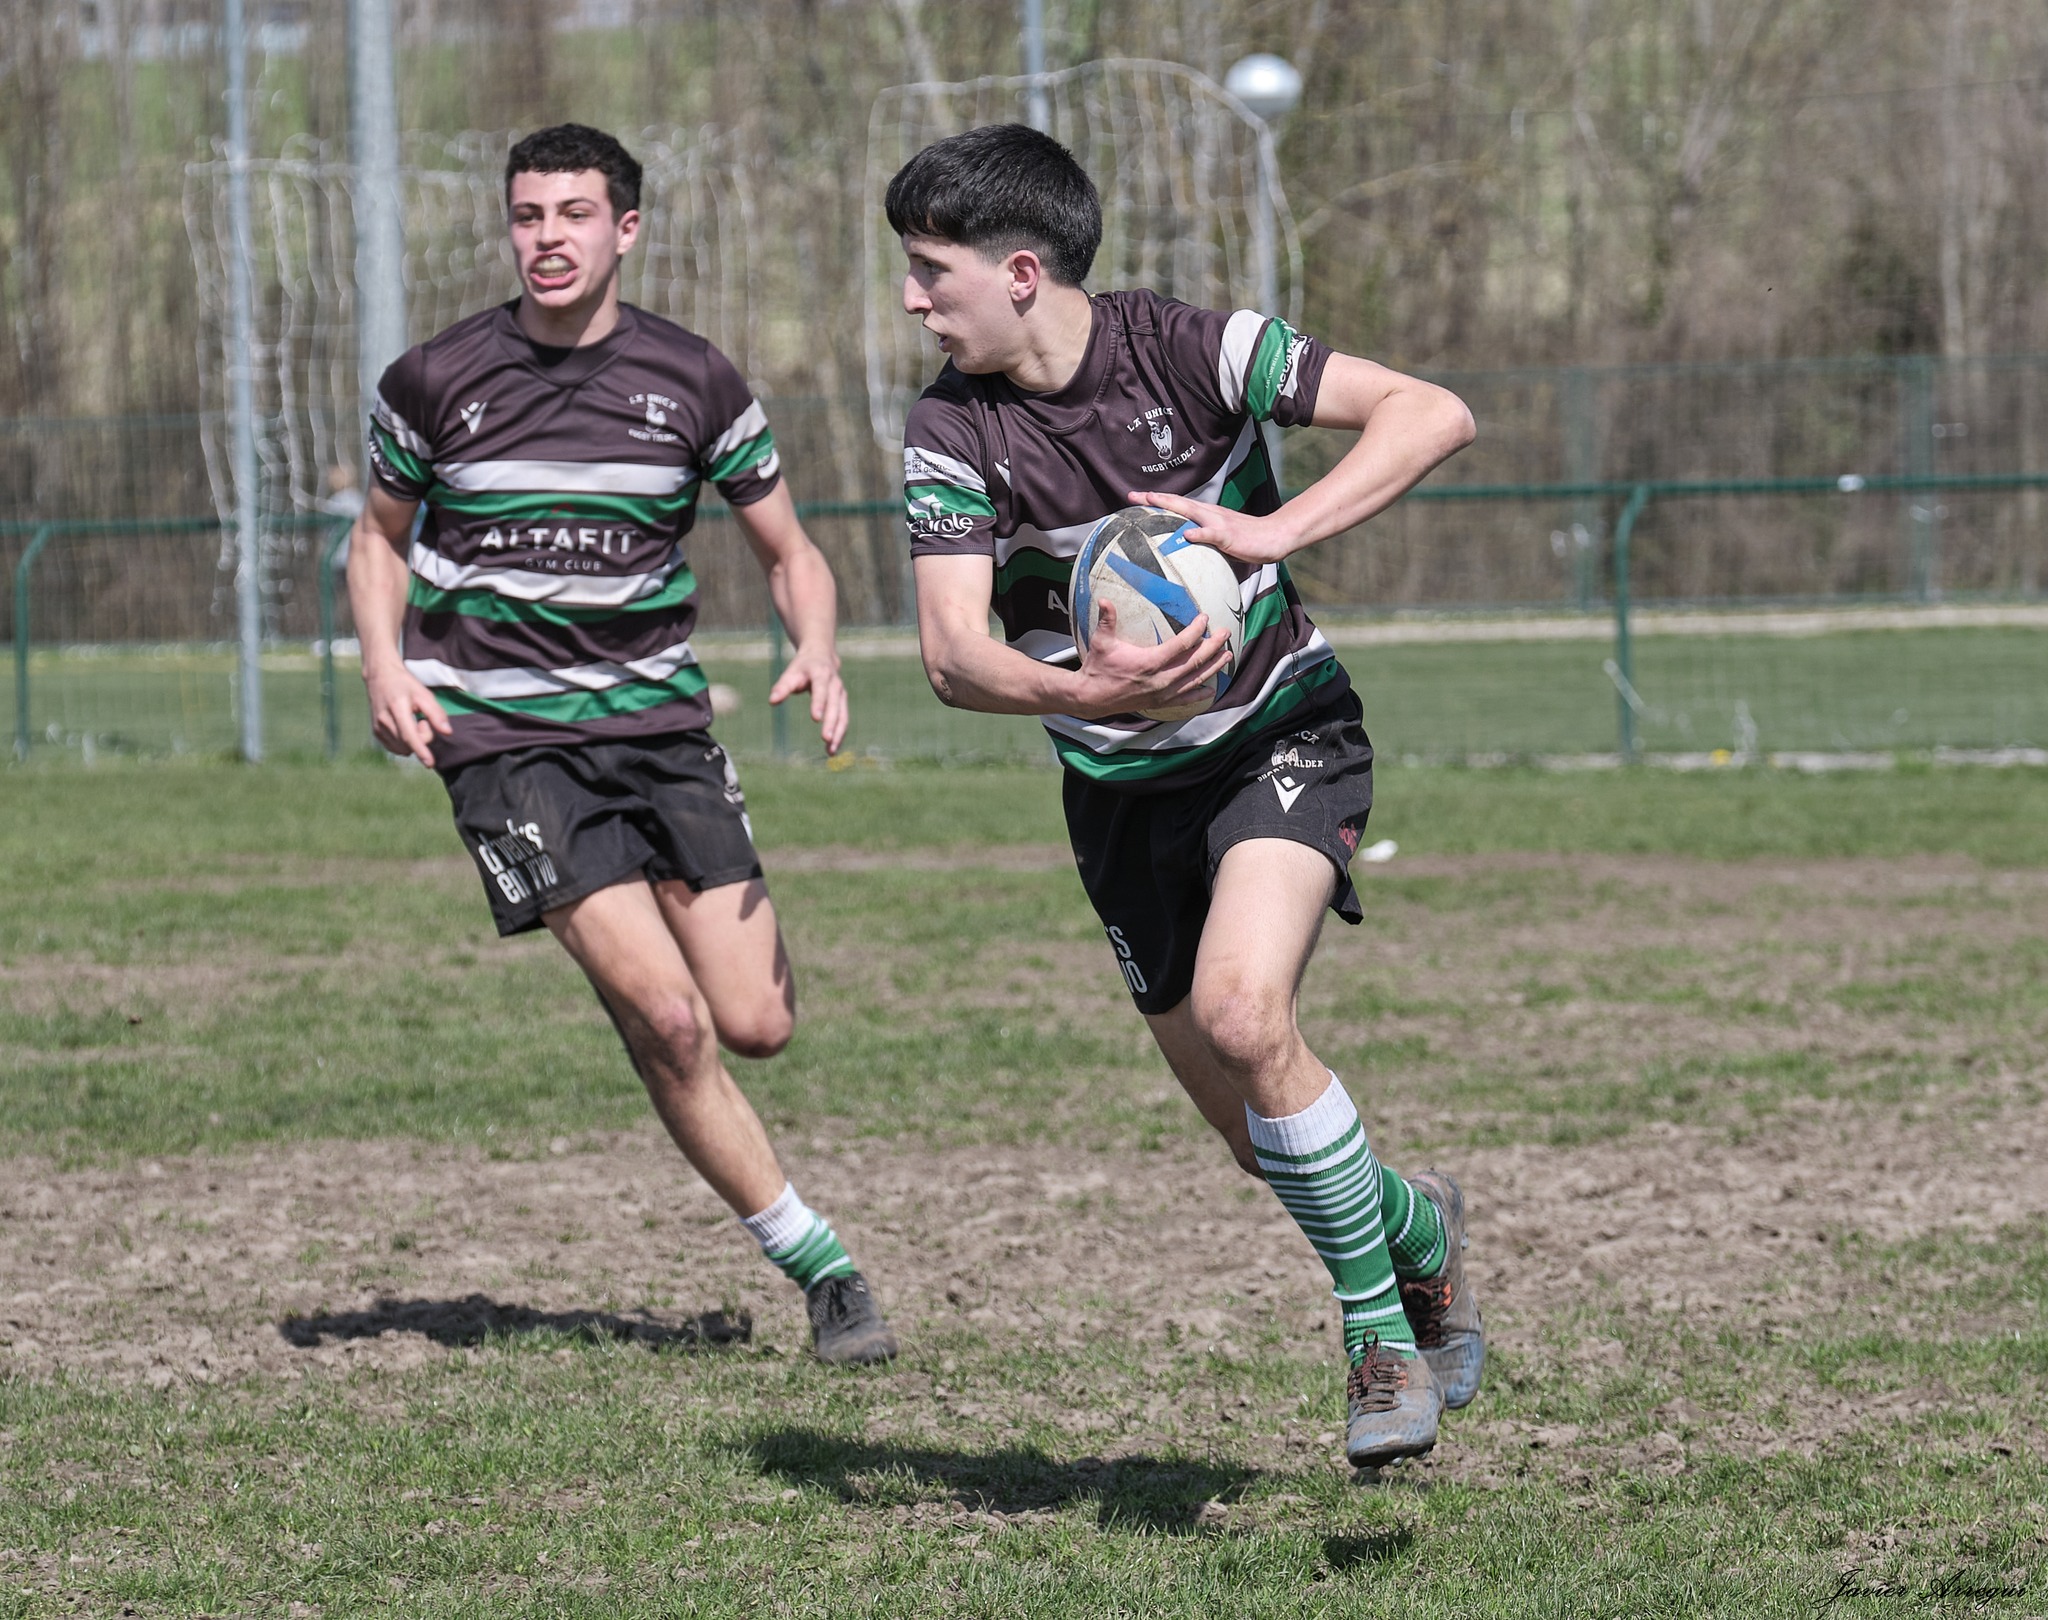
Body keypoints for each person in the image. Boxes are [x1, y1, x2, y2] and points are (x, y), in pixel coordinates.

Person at [889, 124, 1481, 1462]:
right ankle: (1420, 1232)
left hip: (1281, 731)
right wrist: (1087, 695)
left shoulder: (1193, 349)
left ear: (1022, 270)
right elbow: (951, 655)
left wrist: (1277, 531)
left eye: (933, 273)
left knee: (1242, 1007)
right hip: (1121, 795)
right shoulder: (948, 429)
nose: (913, 301)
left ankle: (1381, 1345)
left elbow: (1431, 410)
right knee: (1258, 1135)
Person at [346, 123, 896, 1364]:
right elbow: (376, 540)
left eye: (574, 214)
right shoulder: (435, 379)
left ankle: (642, 904)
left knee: (755, 1021)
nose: (549, 237)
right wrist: (386, 664)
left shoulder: (693, 380)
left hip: (661, 732)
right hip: (504, 743)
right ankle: (823, 1270)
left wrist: (815, 642)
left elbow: (791, 551)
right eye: (528, 214)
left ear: (625, 228)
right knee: (674, 1020)